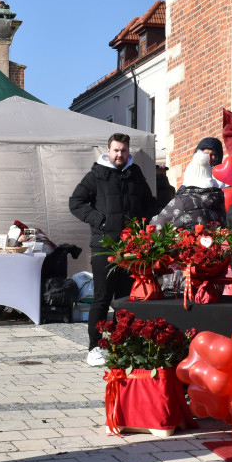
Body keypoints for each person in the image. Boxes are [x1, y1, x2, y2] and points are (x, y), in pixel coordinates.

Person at [69, 133, 157, 366]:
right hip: (103, 246)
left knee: (126, 298)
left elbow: (149, 202)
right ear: (109, 151)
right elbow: (76, 202)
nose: (120, 155)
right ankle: (94, 347)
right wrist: (102, 221)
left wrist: (143, 226)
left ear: (129, 151)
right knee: (102, 297)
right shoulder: (97, 174)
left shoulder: (135, 174)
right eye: (116, 150)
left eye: (124, 150)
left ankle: (123, 344)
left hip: (131, 246)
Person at [150, 150, 227, 229]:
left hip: (188, 241)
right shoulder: (219, 199)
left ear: (188, 176)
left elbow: (156, 227)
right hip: (214, 241)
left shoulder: (183, 202)